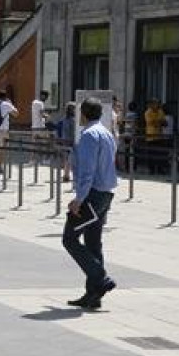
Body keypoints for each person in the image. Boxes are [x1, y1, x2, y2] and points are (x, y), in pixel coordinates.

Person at [63, 98, 118, 310]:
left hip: (92, 194)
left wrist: (79, 199)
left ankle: (100, 278)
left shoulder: (88, 136)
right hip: (106, 193)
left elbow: (87, 171)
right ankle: (93, 294)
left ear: (83, 114)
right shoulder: (106, 134)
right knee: (93, 241)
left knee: (69, 238)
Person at [144, 99, 167, 174]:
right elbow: (152, 123)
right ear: (151, 105)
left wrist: (159, 122)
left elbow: (165, 123)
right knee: (151, 154)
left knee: (160, 153)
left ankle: (160, 169)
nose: (157, 105)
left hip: (159, 136)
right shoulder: (148, 112)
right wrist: (160, 122)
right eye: (155, 104)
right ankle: (152, 169)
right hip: (150, 136)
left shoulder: (161, 111)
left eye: (157, 104)